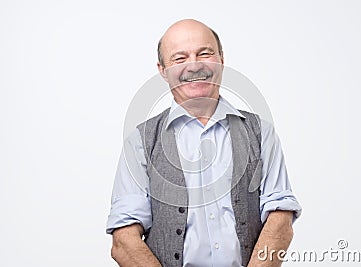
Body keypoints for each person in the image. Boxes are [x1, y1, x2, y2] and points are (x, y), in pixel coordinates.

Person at [106, 19, 302, 267]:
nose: (194, 65)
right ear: (162, 70)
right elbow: (123, 241)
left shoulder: (260, 131)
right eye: (180, 58)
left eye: (205, 53)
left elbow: (281, 220)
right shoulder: (140, 142)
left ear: (221, 59)